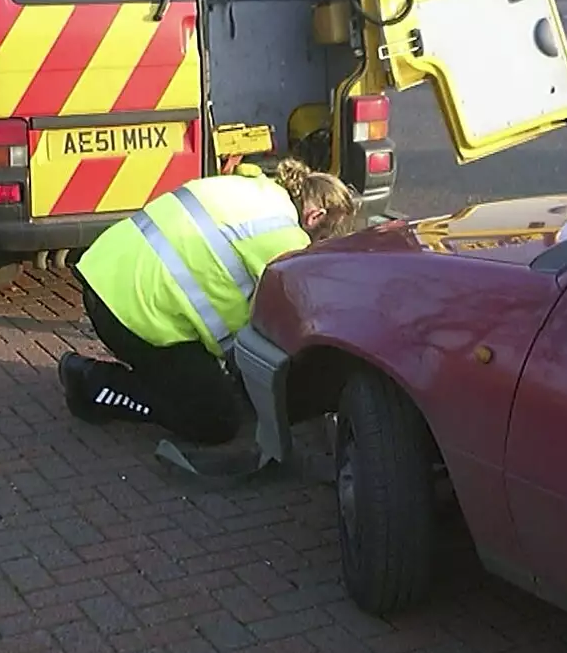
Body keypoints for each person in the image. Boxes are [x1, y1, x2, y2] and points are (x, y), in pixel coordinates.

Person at [58, 158, 361, 445]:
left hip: (106, 272)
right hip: (130, 314)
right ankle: (95, 382)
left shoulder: (254, 186)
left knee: (210, 385)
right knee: (214, 420)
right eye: (324, 237)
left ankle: (156, 378)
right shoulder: (286, 239)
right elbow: (289, 327)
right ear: (315, 217)